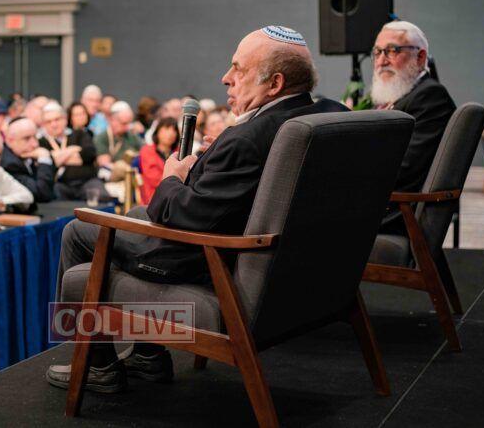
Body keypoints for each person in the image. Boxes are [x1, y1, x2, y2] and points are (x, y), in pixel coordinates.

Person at [46, 25, 348, 392]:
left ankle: (95, 364)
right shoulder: (322, 116)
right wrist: (214, 160)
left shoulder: (246, 140)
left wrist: (173, 177)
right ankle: (147, 356)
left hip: (206, 261)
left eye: (238, 69)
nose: (226, 77)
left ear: (275, 84)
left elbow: (188, 217)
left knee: (77, 231)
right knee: (139, 213)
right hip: (287, 272)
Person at [370, 20, 456, 234]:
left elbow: (404, 169)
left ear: (420, 57)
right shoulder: (401, 96)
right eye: (378, 52)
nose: (381, 61)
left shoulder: (430, 97)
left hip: (398, 213)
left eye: (392, 50)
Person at [39, 102, 106, 201]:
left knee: (101, 197)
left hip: (87, 181)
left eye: (57, 119)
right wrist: (72, 150)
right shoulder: (41, 142)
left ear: (65, 119)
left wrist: (58, 158)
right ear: (43, 125)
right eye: (48, 122)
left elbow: (89, 154)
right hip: (60, 184)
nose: (54, 124)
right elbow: (50, 163)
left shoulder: (79, 134)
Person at [1, 117, 56, 202]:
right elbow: (42, 194)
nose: (35, 144)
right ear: (10, 141)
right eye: (26, 138)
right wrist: (44, 160)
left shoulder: (25, 154)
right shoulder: (9, 164)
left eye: (35, 137)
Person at [138, 117, 179, 204]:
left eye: (174, 130)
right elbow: (154, 179)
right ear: (158, 131)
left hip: (175, 196)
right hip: (154, 198)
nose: (171, 133)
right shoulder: (147, 150)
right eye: (167, 128)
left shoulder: (179, 152)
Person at [94, 101, 142, 168]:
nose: (127, 127)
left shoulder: (132, 136)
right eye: (124, 123)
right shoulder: (101, 138)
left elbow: (145, 152)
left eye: (129, 123)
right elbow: (105, 164)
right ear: (112, 120)